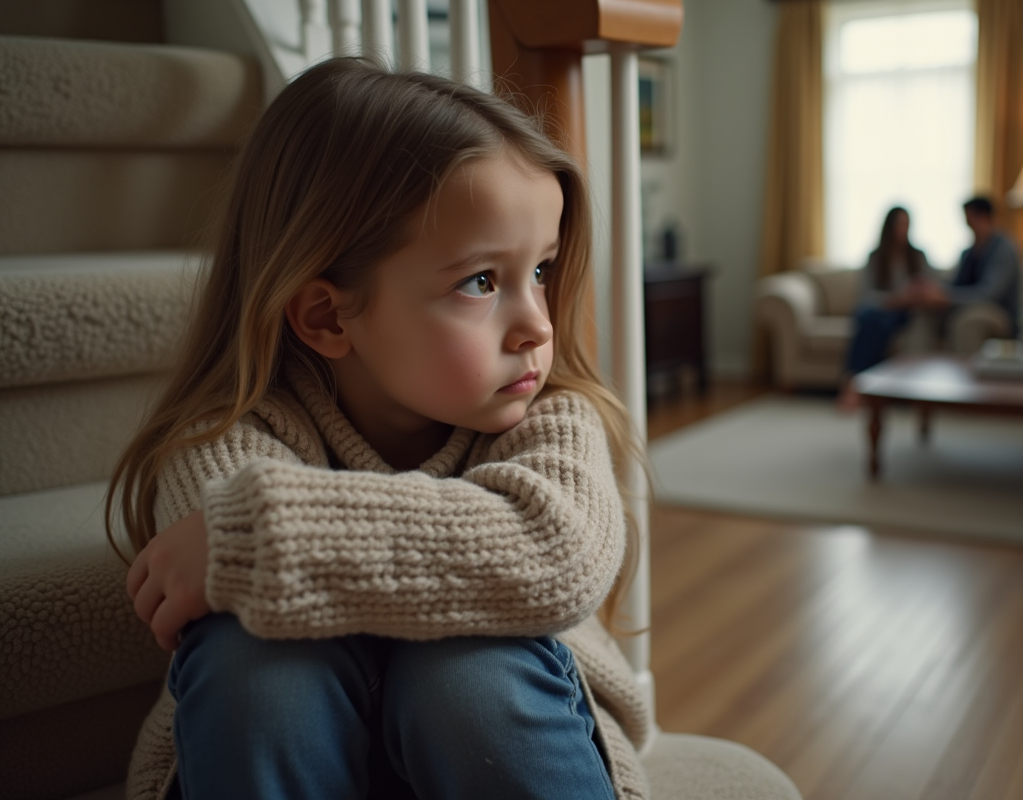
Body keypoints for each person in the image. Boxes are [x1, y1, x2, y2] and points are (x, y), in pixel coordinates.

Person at [107, 58, 650, 800]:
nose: (536, 325)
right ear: (330, 316)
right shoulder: (230, 435)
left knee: (466, 678)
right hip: (306, 749)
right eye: (481, 281)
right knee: (256, 672)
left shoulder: (551, 414)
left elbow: (555, 552)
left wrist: (274, 536)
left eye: (543, 271)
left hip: (491, 737)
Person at [837, 206, 944, 410]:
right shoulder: (876, 257)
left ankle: (853, 383)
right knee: (870, 317)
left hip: (908, 313)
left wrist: (919, 291)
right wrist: (895, 299)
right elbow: (866, 295)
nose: (902, 229)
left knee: (869, 319)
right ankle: (861, 385)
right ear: (889, 226)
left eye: (906, 224)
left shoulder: (918, 256)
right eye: (899, 224)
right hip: (885, 310)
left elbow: (934, 285)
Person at [945, 195, 1022, 338]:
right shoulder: (969, 253)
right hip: (967, 307)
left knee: (971, 319)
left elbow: (989, 294)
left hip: (998, 313)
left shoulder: (1004, 250)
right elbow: (956, 283)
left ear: (985, 218)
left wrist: (948, 298)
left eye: (971, 223)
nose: (969, 228)